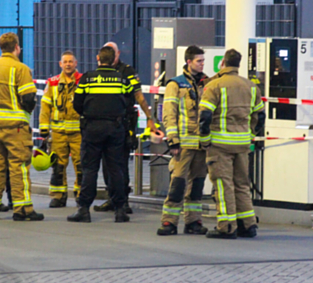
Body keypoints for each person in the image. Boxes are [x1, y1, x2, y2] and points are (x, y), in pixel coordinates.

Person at [0, 32, 44, 222]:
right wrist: (25, 111)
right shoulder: (21, 69)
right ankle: (22, 209)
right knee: (19, 166)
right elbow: (29, 97)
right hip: (16, 127)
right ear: (16, 47)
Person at [198, 49, 265, 239]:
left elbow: (205, 116)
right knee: (242, 184)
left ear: (223, 63)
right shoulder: (251, 86)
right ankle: (248, 225)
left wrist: (204, 140)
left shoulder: (214, 85)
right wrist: (250, 133)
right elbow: (259, 116)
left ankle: (227, 226)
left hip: (220, 144)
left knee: (223, 184)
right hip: (242, 143)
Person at [67, 45, 134, 223]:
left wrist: (90, 113)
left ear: (98, 58)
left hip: (92, 128)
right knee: (116, 169)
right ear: (113, 60)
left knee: (90, 169)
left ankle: (83, 209)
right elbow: (130, 103)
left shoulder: (87, 79)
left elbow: (77, 104)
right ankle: (120, 209)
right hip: (115, 128)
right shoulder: (122, 79)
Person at [96, 41, 158, 213]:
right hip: (105, 124)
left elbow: (139, 96)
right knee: (106, 164)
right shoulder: (99, 73)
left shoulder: (127, 72)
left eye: (113, 53)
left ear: (118, 55)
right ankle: (112, 198)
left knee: (120, 162)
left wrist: (150, 118)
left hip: (123, 123)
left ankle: (123, 200)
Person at [157, 45, 210, 236]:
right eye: (199, 61)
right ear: (189, 62)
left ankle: (193, 221)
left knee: (197, 185)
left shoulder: (207, 83)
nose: (202, 64)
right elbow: (169, 114)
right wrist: (173, 140)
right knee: (178, 184)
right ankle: (169, 222)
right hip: (184, 144)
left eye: (203, 60)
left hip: (201, 144)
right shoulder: (176, 84)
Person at [39, 51, 83, 208]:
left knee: (81, 165)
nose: (68, 64)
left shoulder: (82, 81)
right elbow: (45, 106)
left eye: (71, 61)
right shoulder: (52, 82)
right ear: (60, 64)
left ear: (76, 63)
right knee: (58, 165)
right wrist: (43, 128)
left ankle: (81, 195)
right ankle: (58, 196)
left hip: (79, 132)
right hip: (58, 132)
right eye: (65, 61)